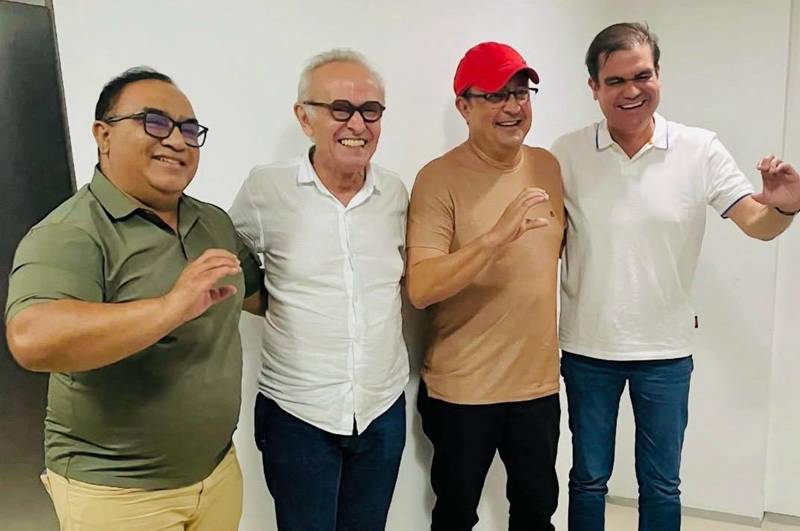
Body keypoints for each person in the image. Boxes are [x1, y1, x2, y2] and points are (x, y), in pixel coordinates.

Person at [551, 22, 800, 531]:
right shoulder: (566, 153)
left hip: (664, 352)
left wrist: (785, 207)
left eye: (642, 76)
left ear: (659, 75)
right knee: (588, 480)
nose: (632, 90)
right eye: (616, 80)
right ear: (594, 87)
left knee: (662, 484)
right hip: (587, 348)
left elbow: (756, 224)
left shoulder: (699, 148)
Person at [4, 67, 263, 531]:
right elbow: (31, 338)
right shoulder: (71, 232)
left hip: (217, 475)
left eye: (189, 129)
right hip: (118, 495)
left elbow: (262, 296)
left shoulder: (212, 222)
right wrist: (169, 308)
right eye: (155, 122)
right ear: (103, 135)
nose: (177, 140)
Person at [228, 49, 409, 531]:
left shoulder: (395, 194)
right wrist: (270, 302)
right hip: (298, 413)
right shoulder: (267, 189)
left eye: (371, 110)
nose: (358, 124)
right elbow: (228, 262)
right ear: (304, 118)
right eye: (340, 109)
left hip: (381, 408)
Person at [405, 41, 564, 531]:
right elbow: (421, 287)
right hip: (464, 390)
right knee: (455, 517)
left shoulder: (548, 166)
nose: (513, 106)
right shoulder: (437, 179)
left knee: (537, 513)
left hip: (537, 387)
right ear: (464, 106)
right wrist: (494, 239)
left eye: (521, 92)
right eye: (496, 95)